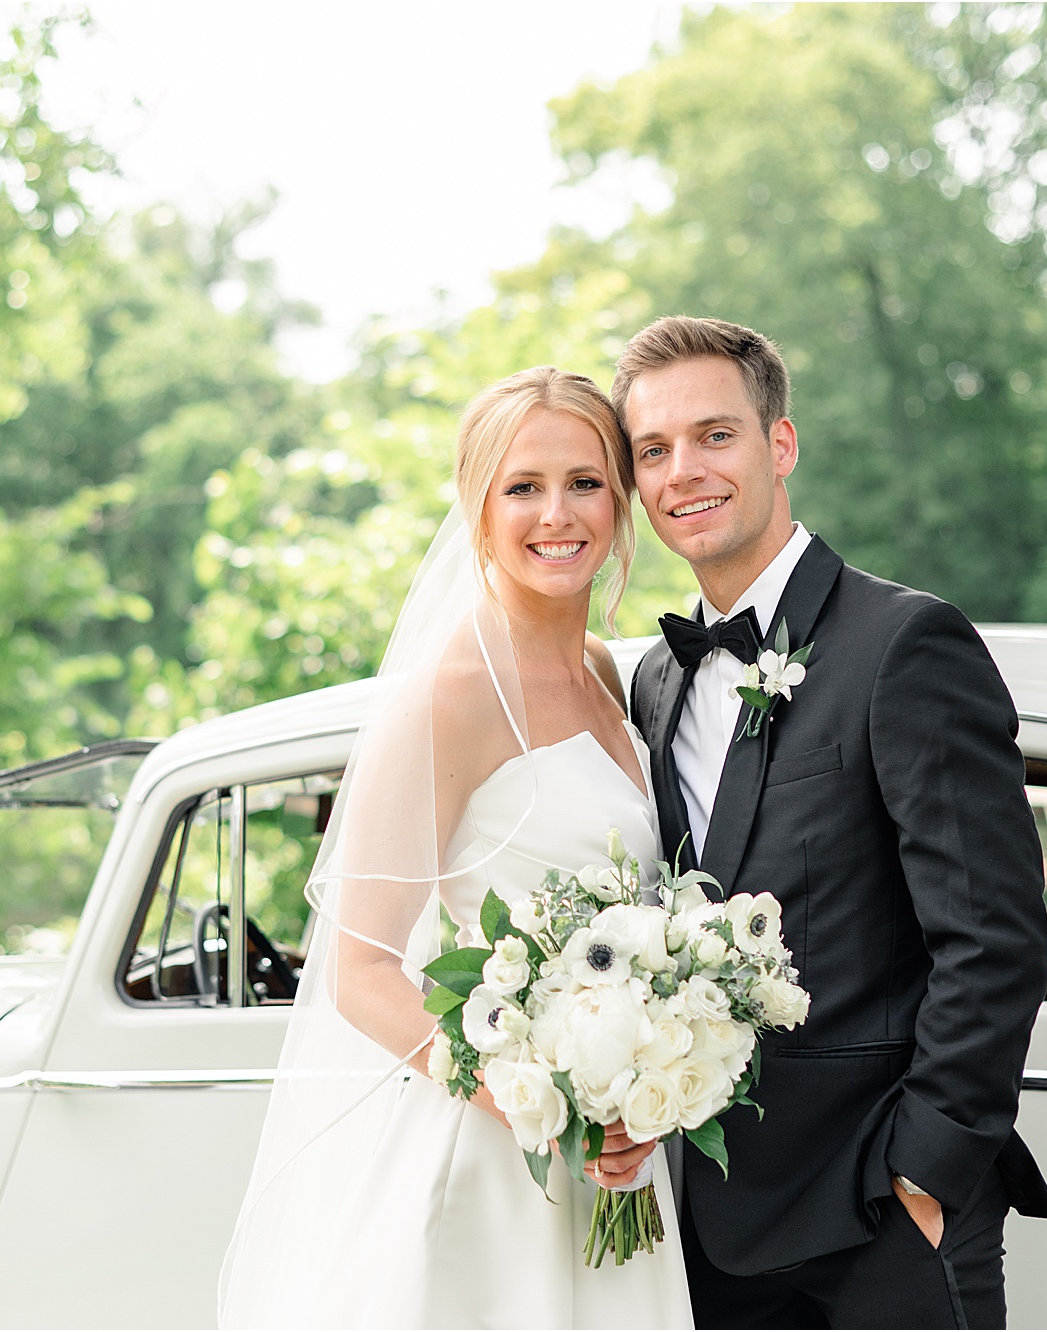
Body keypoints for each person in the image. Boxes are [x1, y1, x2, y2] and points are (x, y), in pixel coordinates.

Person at [217, 367, 694, 1329]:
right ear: (478, 508)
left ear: (621, 501)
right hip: (488, 1156)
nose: (557, 514)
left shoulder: (605, 669)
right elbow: (359, 970)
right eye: (522, 487)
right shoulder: (453, 691)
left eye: (585, 482)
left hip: (612, 1155)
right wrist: (538, 1101)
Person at [618, 316, 1047, 1330]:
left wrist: (924, 1177)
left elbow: (993, 937)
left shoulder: (904, 642)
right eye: (653, 450)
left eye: (714, 435)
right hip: (709, 1226)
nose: (683, 470)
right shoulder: (653, 680)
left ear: (780, 446)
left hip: (877, 1215)